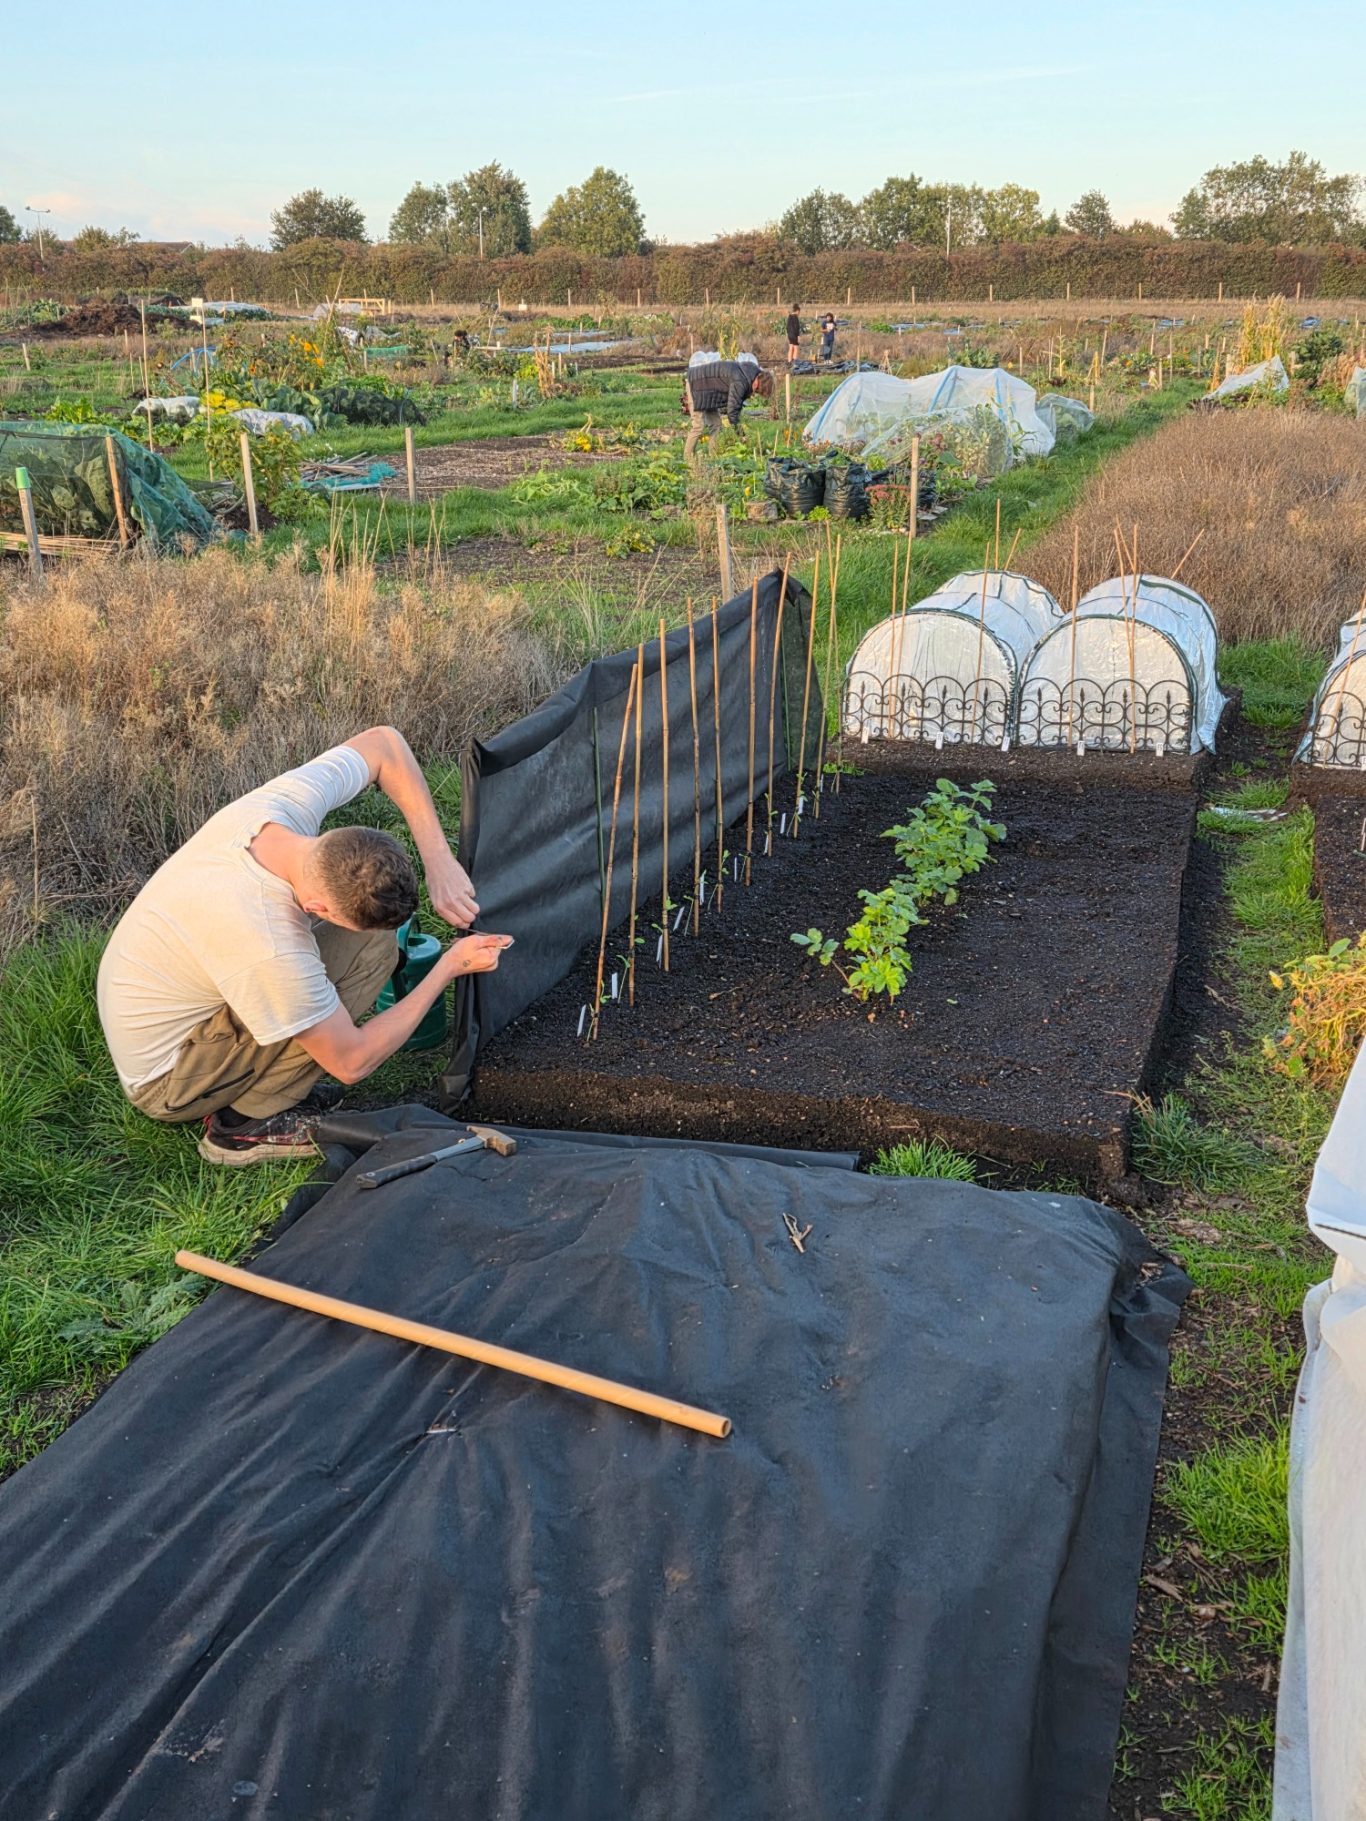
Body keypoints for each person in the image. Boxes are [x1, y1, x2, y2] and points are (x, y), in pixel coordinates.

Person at [96, 729, 511, 1165]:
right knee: (356, 973)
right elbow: (352, 1062)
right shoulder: (268, 942)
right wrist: (448, 967)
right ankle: (240, 1127)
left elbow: (385, 745)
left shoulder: (283, 812)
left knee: (371, 943)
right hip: (169, 1078)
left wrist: (438, 860)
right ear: (317, 907)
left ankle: (267, 1076)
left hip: (171, 1001)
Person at [683, 358, 773, 460]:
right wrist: (741, 435)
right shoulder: (740, 381)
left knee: (716, 424)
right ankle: (688, 460)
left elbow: (737, 405)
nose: (754, 393)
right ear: (757, 383)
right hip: (696, 385)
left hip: (708, 391)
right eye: (756, 391)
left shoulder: (748, 373)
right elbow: (732, 412)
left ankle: (713, 457)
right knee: (698, 426)